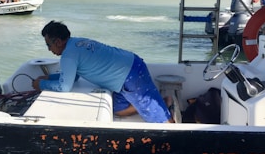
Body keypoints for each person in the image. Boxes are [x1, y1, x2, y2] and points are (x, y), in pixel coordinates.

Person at [32, 20, 174, 123]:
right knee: (117, 109)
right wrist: (49, 77)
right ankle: (160, 102)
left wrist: (42, 85)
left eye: (48, 45)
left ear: (57, 42)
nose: (49, 49)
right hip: (132, 63)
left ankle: (162, 110)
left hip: (129, 77)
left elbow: (64, 87)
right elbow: (73, 77)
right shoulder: (76, 42)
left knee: (161, 121)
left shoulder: (68, 55)